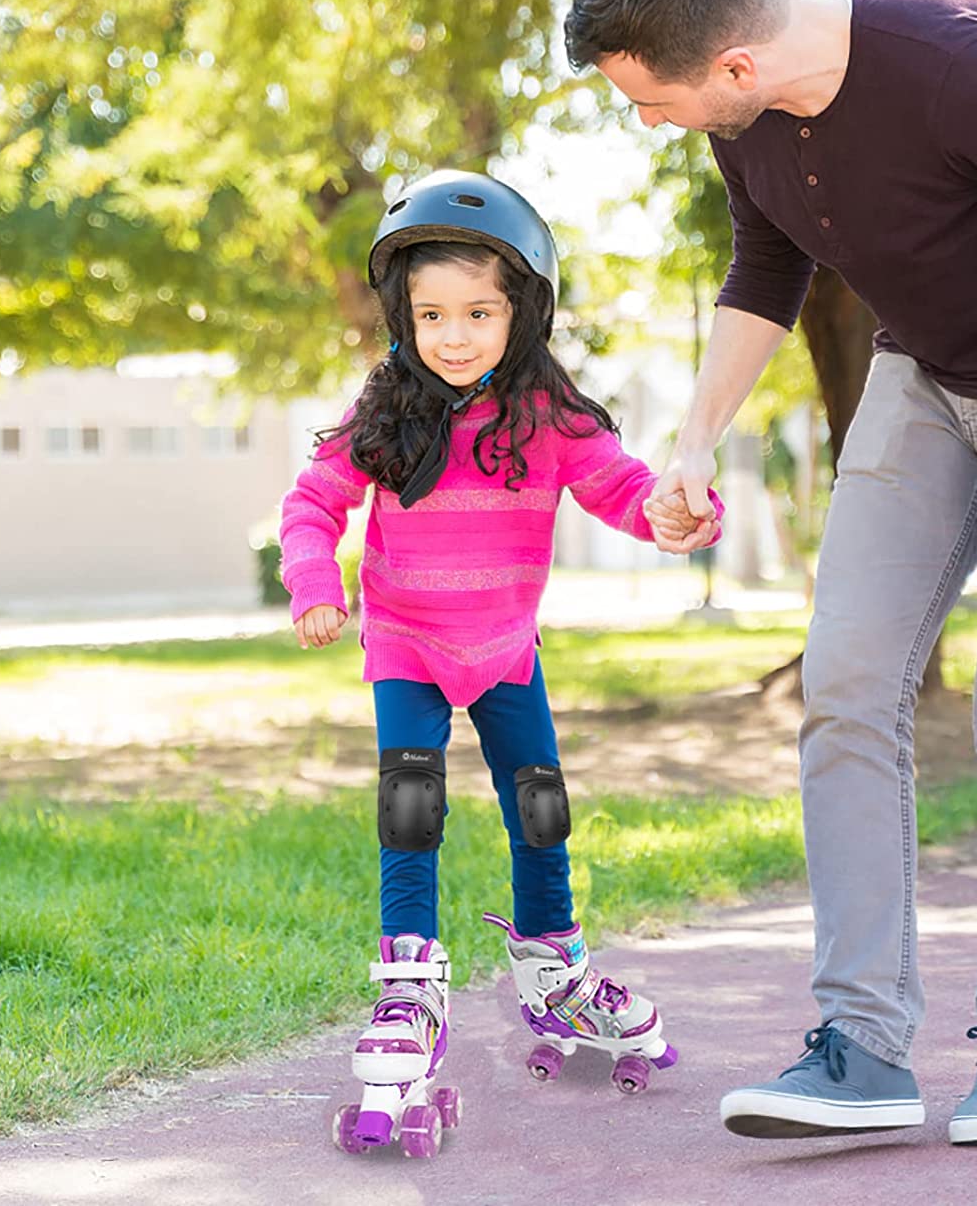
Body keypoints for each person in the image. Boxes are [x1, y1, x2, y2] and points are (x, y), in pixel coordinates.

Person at [564, 0, 977, 1145]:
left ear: (735, 69)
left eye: (656, 103)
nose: (651, 123)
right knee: (848, 686)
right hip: (925, 387)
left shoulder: (950, 59)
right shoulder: (746, 128)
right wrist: (694, 438)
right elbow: (766, 264)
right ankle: (860, 1049)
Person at [280, 170, 719, 1156]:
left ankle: (556, 974)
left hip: (503, 650)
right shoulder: (388, 411)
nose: (455, 334)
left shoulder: (549, 414)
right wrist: (316, 586)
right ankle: (408, 988)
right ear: (403, 316)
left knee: (539, 803)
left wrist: (675, 512)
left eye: (479, 311)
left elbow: (622, 488)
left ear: (522, 312)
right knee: (411, 803)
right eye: (432, 313)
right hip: (405, 642)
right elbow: (313, 503)